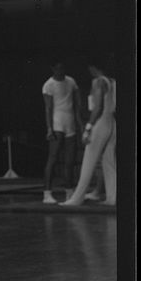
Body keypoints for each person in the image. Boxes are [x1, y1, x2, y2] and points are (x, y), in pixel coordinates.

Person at [62, 57, 116, 207]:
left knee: (88, 162)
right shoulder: (112, 81)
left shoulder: (98, 82)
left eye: (89, 69)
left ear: (93, 67)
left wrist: (88, 128)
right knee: (109, 162)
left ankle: (76, 198)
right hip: (111, 122)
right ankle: (113, 197)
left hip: (100, 123)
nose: (88, 71)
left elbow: (97, 108)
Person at [41, 61, 82, 203]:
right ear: (52, 68)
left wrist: (80, 125)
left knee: (70, 161)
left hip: (70, 123)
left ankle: (69, 192)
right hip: (57, 123)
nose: (60, 70)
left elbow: (76, 105)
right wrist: (49, 128)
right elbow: (48, 108)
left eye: (62, 68)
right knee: (53, 158)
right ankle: (47, 193)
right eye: (57, 68)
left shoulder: (71, 81)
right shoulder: (48, 85)